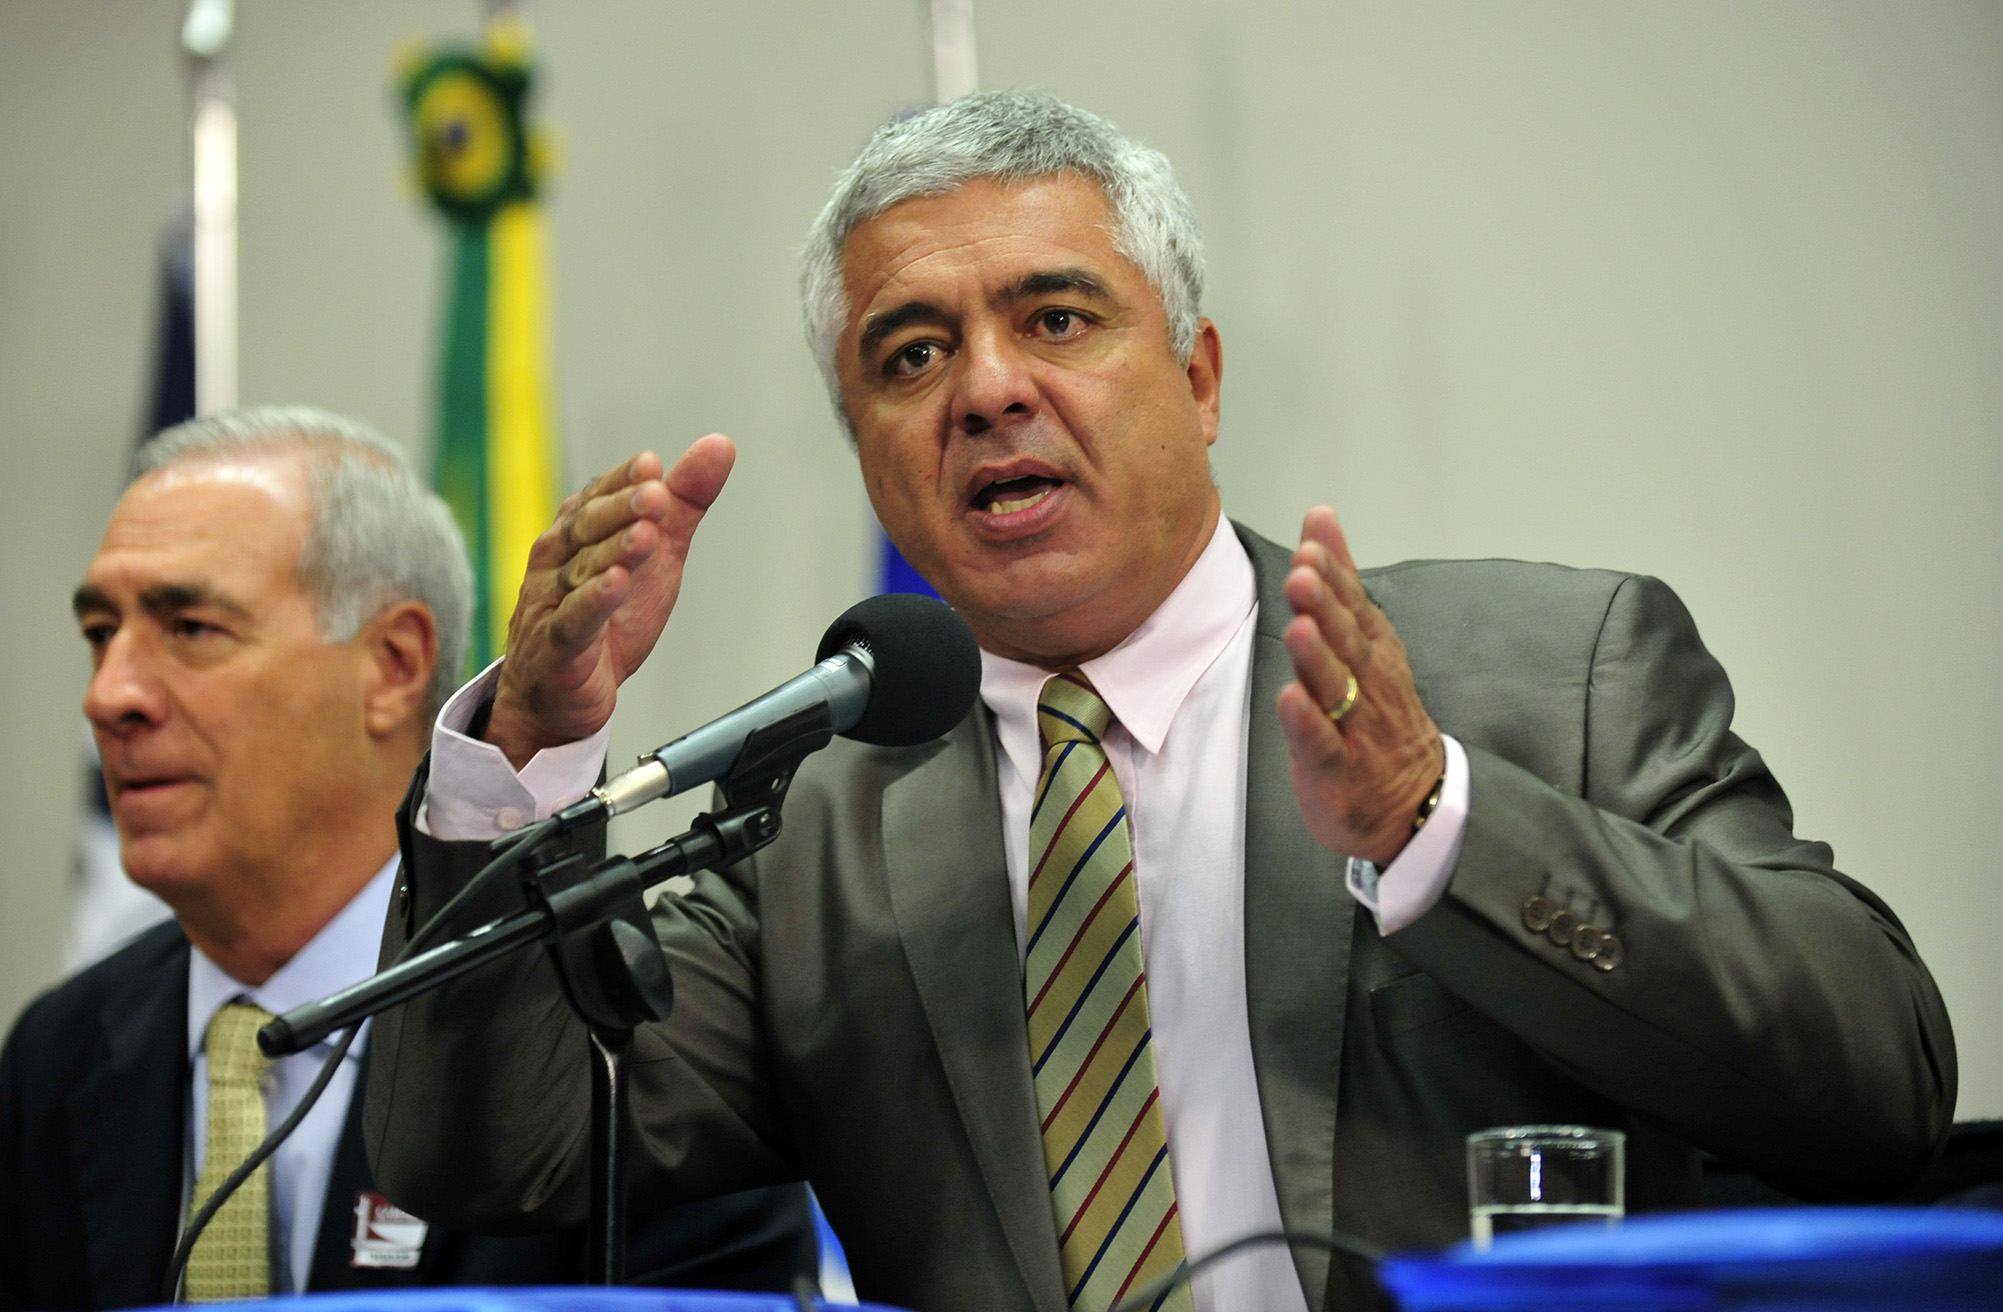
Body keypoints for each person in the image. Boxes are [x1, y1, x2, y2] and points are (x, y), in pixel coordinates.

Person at [365, 94, 1957, 1312]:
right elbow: (501, 1155)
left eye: (1054, 319)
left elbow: (1876, 1081)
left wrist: (1436, 822)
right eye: (909, 356)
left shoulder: (1552, 674)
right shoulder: (811, 832)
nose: (986, 388)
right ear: (865, 451)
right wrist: (531, 747)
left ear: (1195, 378)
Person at [0, 408, 817, 1310]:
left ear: (392, 665)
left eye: (190, 629)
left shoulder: (631, 1043)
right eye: (99, 634)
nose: (109, 695)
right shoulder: (58, 1055)